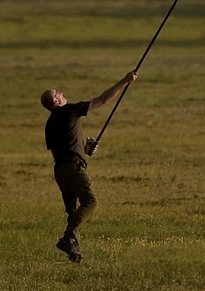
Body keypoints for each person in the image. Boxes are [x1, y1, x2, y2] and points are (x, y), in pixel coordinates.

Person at [42, 70, 138, 263]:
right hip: (73, 168)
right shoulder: (69, 110)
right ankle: (68, 239)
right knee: (91, 202)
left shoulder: (49, 124)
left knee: (73, 213)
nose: (62, 93)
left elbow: (58, 151)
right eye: (58, 93)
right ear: (55, 101)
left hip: (60, 171)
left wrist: (84, 150)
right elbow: (102, 100)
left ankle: (74, 253)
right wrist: (125, 81)